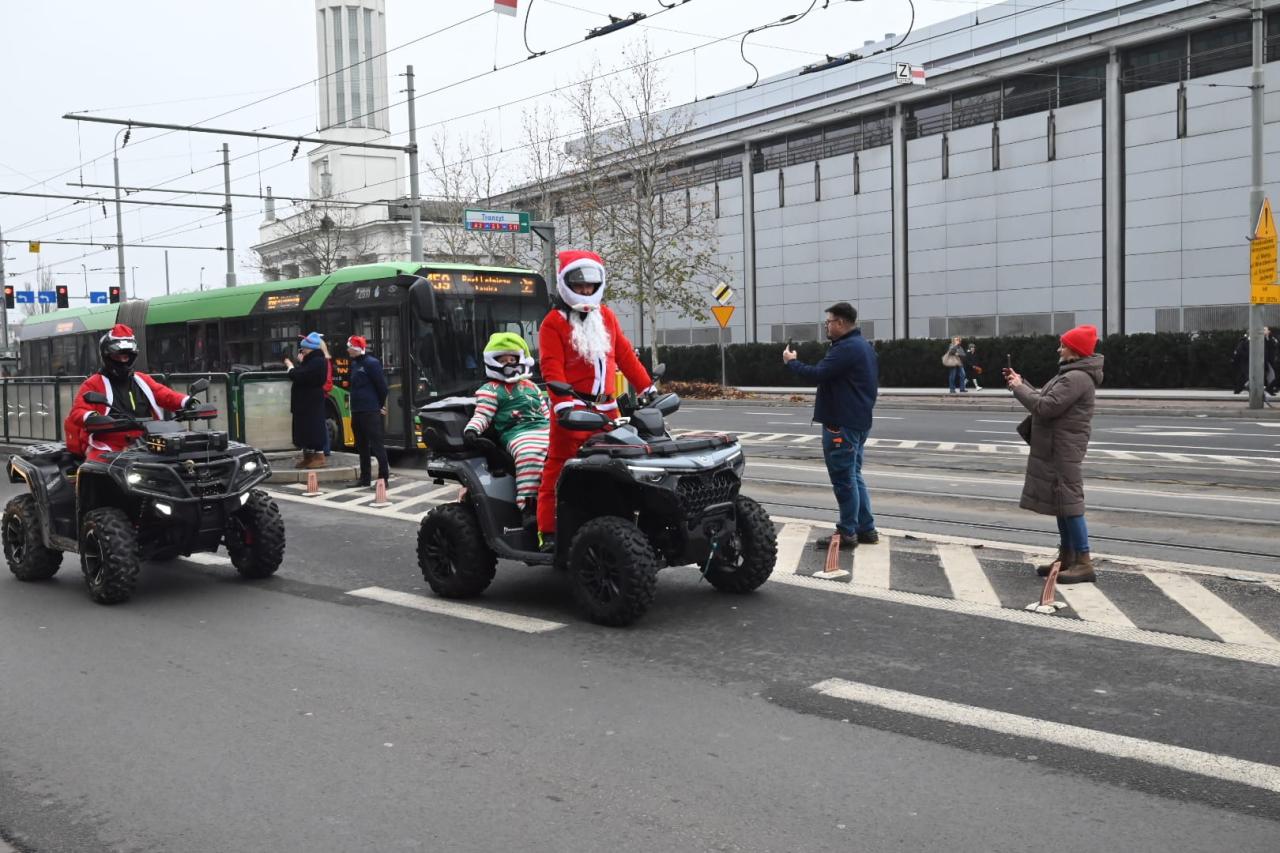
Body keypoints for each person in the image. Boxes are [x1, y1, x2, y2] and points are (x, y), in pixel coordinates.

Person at [537, 250, 653, 551]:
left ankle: (615, 524)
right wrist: (562, 404)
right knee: (559, 467)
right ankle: (548, 532)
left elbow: (626, 356)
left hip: (608, 408)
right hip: (572, 409)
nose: (586, 290)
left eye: (591, 285)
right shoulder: (553, 323)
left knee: (618, 467)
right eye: (579, 285)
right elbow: (551, 367)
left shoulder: (607, 316)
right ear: (567, 284)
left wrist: (646, 388)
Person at [1004, 324, 1104, 584]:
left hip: (1062, 449)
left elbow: (1046, 407)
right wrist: (1022, 383)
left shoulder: (1076, 378)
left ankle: (1083, 562)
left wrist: (1018, 389)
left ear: (1075, 350)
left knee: (1070, 504)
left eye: (1063, 345)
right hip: (1057, 447)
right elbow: (1046, 398)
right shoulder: (1070, 375)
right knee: (1062, 502)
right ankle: (1067, 556)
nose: (1059, 348)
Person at [782, 302, 879, 549]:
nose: (826, 325)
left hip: (841, 423)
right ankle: (866, 528)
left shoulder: (846, 348)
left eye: (829, 321)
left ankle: (847, 532)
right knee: (854, 475)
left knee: (844, 479)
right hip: (858, 421)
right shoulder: (864, 347)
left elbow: (817, 374)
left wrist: (791, 362)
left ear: (841, 323)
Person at [64, 324, 195, 462]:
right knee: (97, 464)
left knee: (182, 459)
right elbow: (78, 411)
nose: (122, 360)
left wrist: (187, 402)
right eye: (117, 356)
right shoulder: (93, 383)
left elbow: (164, 394)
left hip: (147, 441)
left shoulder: (142, 379)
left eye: (126, 357)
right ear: (107, 356)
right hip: (109, 445)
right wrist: (92, 417)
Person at [463, 332, 550, 527]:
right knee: (530, 454)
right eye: (503, 360)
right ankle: (528, 507)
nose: (509, 363)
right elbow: (483, 415)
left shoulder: (532, 386)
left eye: (513, 359)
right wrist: (472, 431)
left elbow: (546, 412)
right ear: (494, 362)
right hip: (518, 433)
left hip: (544, 428)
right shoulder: (491, 389)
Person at [346, 334, 390, 488]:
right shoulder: (354, 364)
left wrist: (378, 405)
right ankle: (365, 478)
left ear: (356, 348)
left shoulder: (372, 363)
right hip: (357, 411)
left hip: (370, 411)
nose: (348, 350)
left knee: (377, 446)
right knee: (362, 446)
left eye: (350, 347)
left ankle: (383, 478)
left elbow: (382, 388)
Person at [283, 332, 328, 470]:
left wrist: (290, 367)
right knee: (306, 429)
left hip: (311, 402)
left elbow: (300, 376)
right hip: (305, 402)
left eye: (304, 348)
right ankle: (308, 457)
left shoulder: (317, 361)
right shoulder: (311, 361)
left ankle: (319, 457)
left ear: (311, 348)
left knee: (314, 428)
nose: (302, 350)